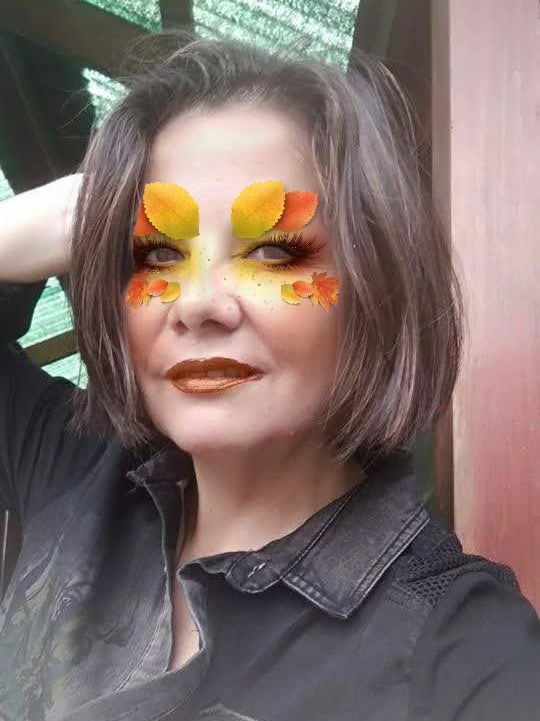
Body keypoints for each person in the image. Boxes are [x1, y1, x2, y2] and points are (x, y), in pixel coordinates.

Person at [0, 30, 538, 721]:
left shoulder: (466, 649)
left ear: (374, 285)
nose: (199, 304)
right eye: (159, 253)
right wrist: (58, 215)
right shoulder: (74, 472)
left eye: (274, 253)